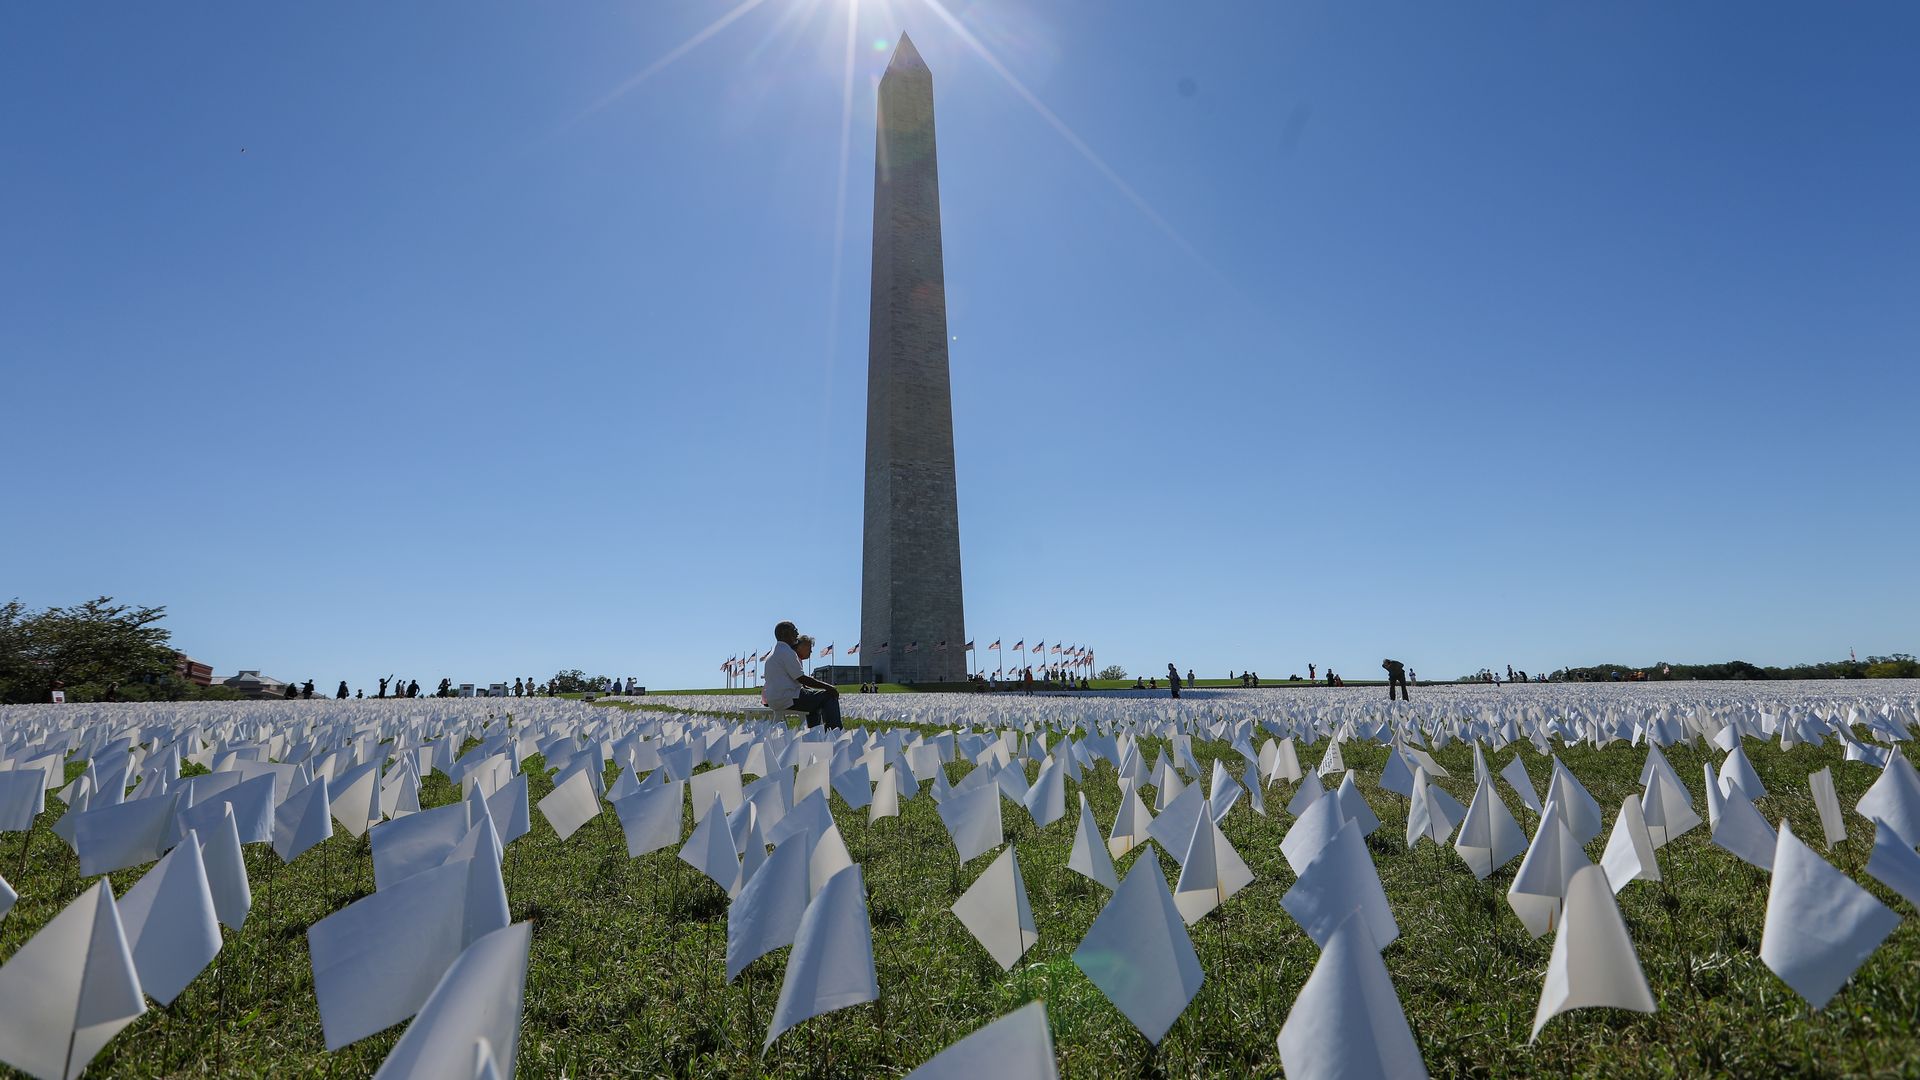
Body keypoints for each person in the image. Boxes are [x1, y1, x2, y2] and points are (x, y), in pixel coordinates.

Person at [764, 621, 841, 729]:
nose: (797, 633)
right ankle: (834, 732)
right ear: (785, 633)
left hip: (775, 699)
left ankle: (814, 732)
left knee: (814, 703)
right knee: (829, 695)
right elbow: (801, 678)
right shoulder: (786, 652)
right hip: (787, 698)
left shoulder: (776, 651)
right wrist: (828, 687)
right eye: (794, 630)